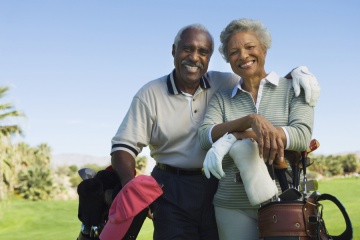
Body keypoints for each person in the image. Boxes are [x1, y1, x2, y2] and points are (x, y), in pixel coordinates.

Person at [110, 23, 319, 240]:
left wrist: (298, 71)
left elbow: (260, 78)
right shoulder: (151, 94)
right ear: (174, 51)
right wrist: (129, 185)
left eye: (203, 52)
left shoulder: (223, 83)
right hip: (172, 186)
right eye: (187, 49)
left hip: (213, 182)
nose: (194, 57)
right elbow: (123, 147)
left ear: (209, 58)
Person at [198, 18, 314, 239]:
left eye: (250, 47)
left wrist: (234, 137)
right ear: (228, 60)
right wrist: (250, 121)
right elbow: (204, 137)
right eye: (234, 52)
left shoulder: (293, 88)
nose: (243, 55)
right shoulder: (222, 98)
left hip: (284, 202)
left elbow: (301, 136)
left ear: (264, 49)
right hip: (231, 206)